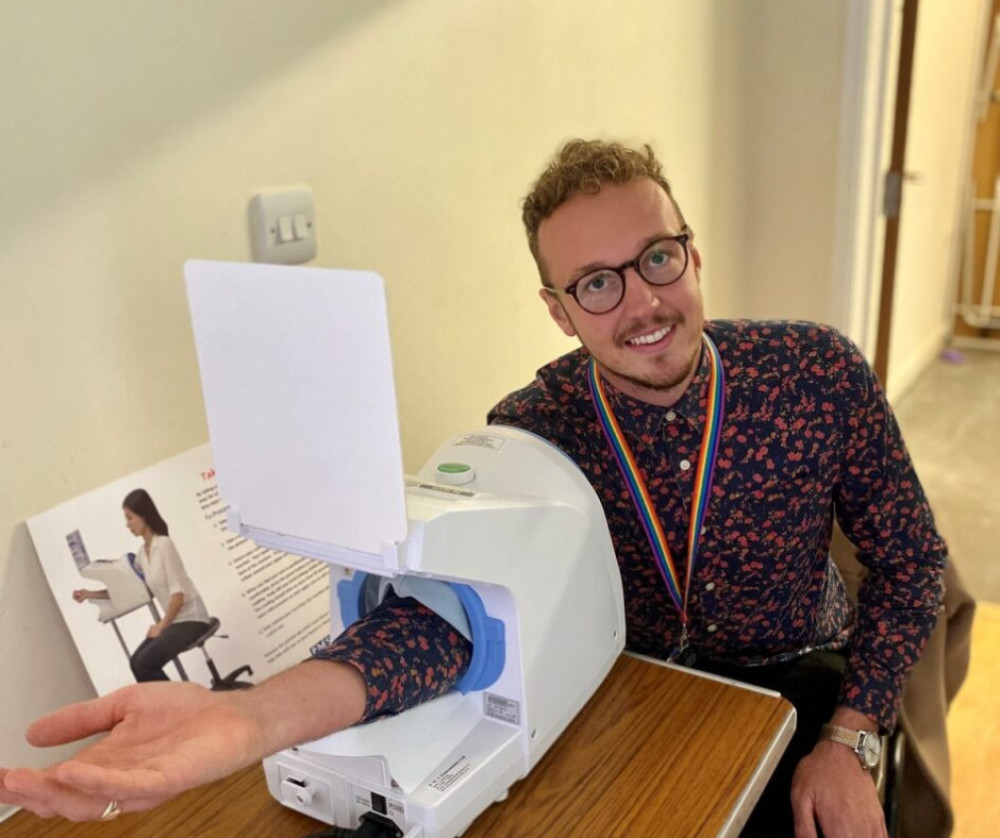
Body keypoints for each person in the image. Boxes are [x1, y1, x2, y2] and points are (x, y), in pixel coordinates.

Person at [0, 140, 946, 838]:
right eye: (597, 284)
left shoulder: (816, 371)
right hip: (620, 692)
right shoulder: (526, 433)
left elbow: (911, 565)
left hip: (804, 681)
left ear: (691, 256)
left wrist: (854, 736)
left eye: (658, 258)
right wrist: (255, 715)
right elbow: (445, 620)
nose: (643, 304)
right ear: (559, 310)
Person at [73, 489, 213, 682]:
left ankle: (180, 707)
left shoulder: (164, 545)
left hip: (192, 620)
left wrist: (161, 626)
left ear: (144, 515)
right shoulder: (141, 555)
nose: (127, 524)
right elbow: (126, 590)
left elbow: (178, 596)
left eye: (130, 518)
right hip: (174, 622)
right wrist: (89, 594)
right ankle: (167, 708)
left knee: (145, 664)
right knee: (135, 662)